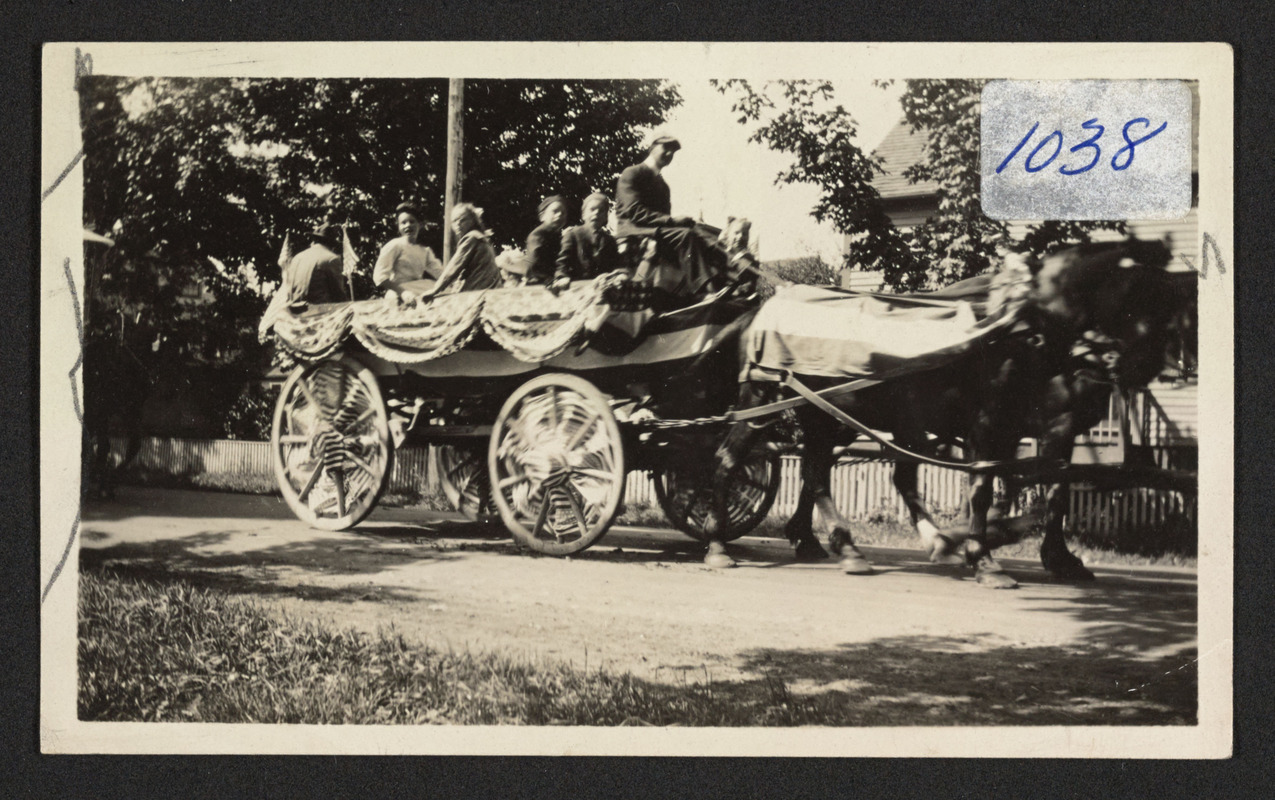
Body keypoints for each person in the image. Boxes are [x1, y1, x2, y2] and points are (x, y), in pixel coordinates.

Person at [613, 133, 731, 298]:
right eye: (665, 148)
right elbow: (632, 211)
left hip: (656, 233)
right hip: (634, 232)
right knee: (686, 236)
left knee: (708, 236)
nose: (669, 154)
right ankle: (704, 290)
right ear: (652, 147)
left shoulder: (663, 185)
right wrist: (672, 220)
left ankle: (727, 284)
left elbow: (665, 221)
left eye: (673, 151)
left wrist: (684, 223)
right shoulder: (633, 173)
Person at [418, 203, 503, 298]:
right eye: (454, 221)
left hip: (478, 291)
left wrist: (435, 289)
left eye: (463, 220)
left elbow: (454, 267)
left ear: (472, 220)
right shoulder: (482, 238)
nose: (458, 224)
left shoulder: (472, 238)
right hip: (489, 289)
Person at [553, 192, 619, 292]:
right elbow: (563, 261)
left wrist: (619, 275)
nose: (596, 213)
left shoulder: (609, 240)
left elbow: (615, 264)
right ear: (583, 214)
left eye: (601, 211)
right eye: (592, 209)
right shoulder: (573, 235)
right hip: (578, 288)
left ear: (606, 217)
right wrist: (562, 276)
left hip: (602, 289)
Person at [373, 201, 443, 294]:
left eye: (412, 221)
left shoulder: (424, 251)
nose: (408, 225)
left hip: (418, 288)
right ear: (398, 226)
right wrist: (402, 292)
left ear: (420, 224)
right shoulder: (395, 245)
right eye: (403, 223)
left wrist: (454, 282)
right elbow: (379, 276)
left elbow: (440, 273)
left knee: (444, 291)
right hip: (398, 291)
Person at [284, 224, 348, 305]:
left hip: (292, 309)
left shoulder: (297, 257)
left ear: (313, 241)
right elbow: (339, 295)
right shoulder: (331, 259)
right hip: (318, 310)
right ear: (332, 244)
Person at [523, 195, 567, 285]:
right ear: (542, 217)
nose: (559, 215)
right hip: (540, 284)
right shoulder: (537, 235)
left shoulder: (557, 235)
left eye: (563, 213)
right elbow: (534, 264)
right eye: (554, 211)